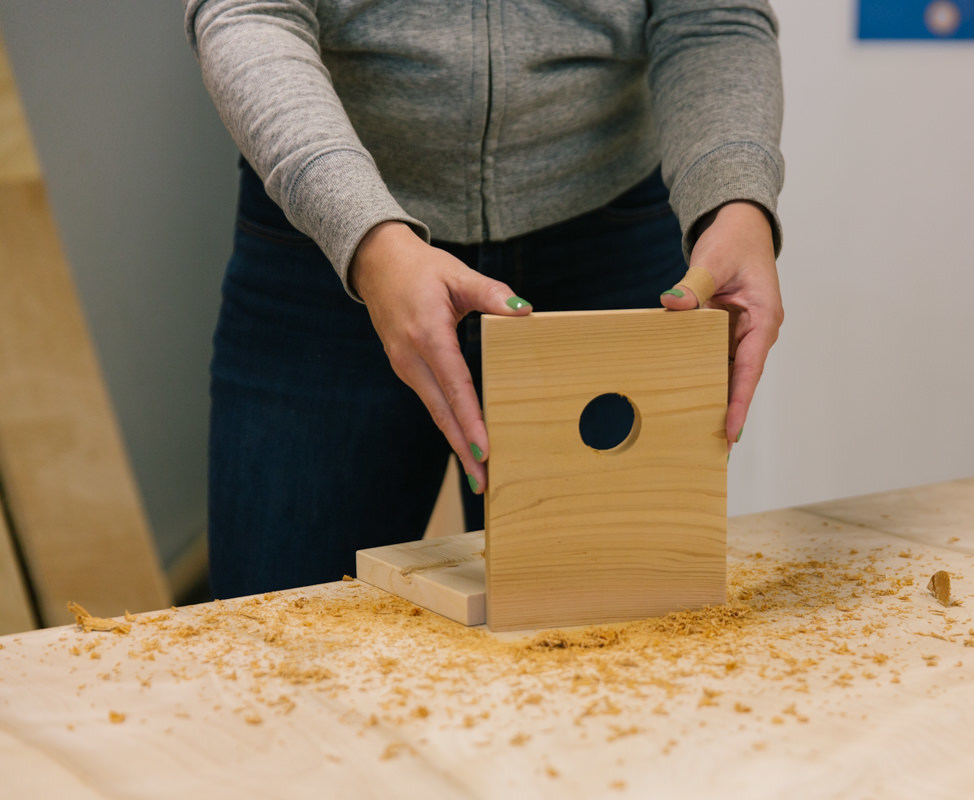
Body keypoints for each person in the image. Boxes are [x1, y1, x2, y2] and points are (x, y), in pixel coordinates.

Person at [185, 0, 785, 598]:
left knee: (615, 629)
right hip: (328, 237)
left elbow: (712, 16)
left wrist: (735, 196)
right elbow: (249, 11)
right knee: (285, 642)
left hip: (607, 235)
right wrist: (363, 230)